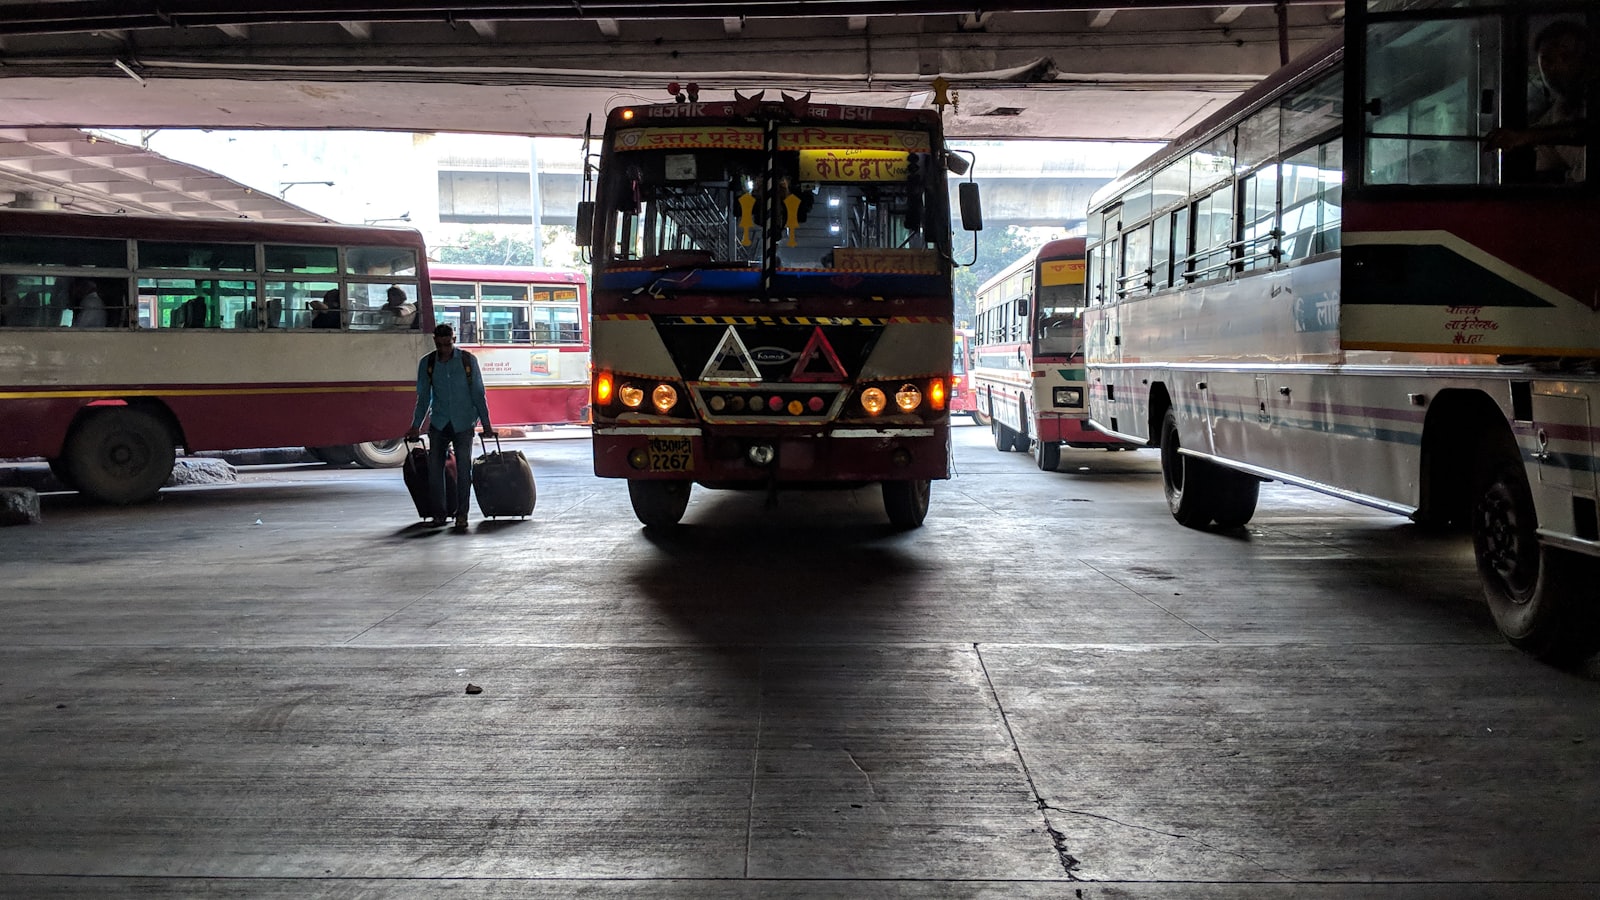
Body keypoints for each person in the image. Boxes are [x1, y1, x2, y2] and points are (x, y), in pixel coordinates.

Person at [406, 323, 495, 530]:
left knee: (465, 471)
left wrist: (487, 425)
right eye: (440, 345)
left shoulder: (467, 361)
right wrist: (415, 426)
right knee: (435, 472)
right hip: (439, 423)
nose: (445, 349)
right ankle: (439, 514)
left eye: (448, 344)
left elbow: (478, 395)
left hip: (464, 423)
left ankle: (462, 514)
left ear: (453, 340)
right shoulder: (427, 363)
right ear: (435, 342)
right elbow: (424, 398)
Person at [1487, 20, 1591, 183]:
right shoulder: (1557, 113)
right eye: (1547, 59)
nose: (1557, 66)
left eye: (1567, 56)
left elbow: (1586, 130)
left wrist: (1525, 137)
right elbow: (1544, 165)